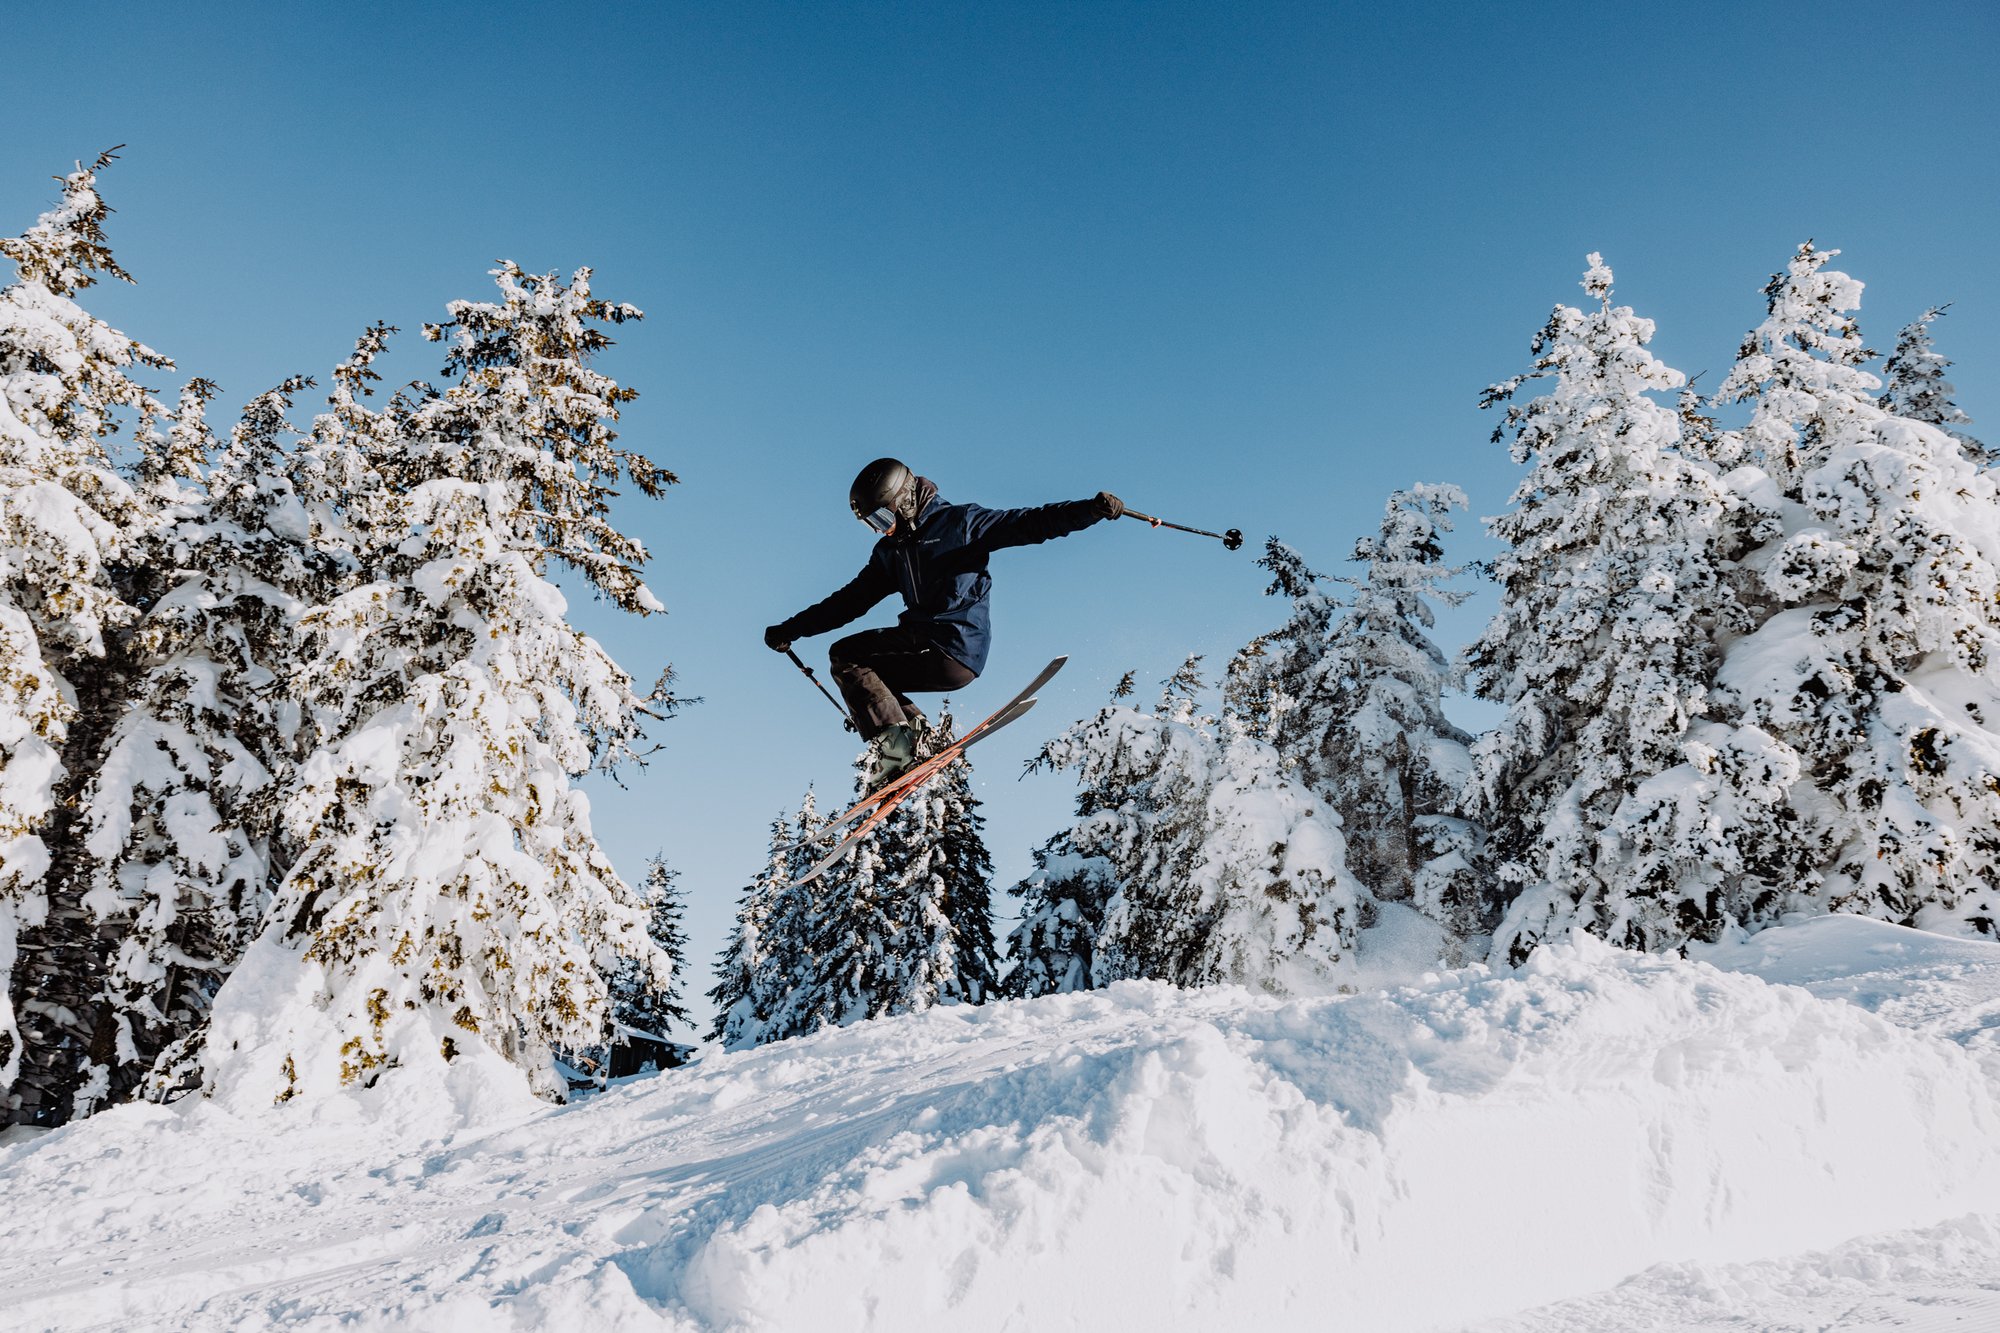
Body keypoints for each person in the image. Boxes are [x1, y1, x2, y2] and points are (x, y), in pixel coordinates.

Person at [766, 457, 1123, 788]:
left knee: (847, 655)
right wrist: (793, 628)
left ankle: (897, 749)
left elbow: (1029, 523)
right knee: (864, 672)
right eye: (873, 524)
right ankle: (912, 735)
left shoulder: (961, 523)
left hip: (950, 644)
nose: (882, 530)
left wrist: (1089, 510)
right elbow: (849, 602)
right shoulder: (892, 553)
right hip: (931, 650)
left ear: (901, 500)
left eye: (883, 519)